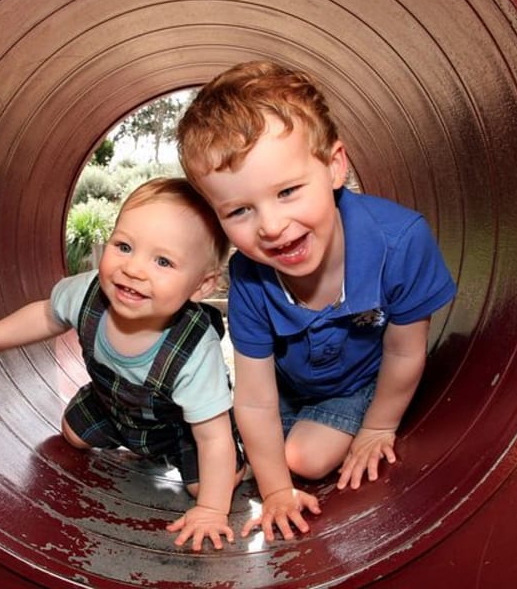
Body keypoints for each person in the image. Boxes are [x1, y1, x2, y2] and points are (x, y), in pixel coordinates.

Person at [176, 60, 457, 542]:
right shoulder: (250, 276)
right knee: (218, 459)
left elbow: (405, 350)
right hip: (290, 387)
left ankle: (344, 422)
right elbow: (257, 397)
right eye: (240, 210)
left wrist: (377, 428)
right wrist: (276, 493)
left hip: (358, 383)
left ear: (334, 166)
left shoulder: (399, 241)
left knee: (303, 457)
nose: (270, 226)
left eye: (287, 191)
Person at [0, 177, 246, 551]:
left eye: (163, 261)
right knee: (71, 434)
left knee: (205, 483)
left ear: (202, 286)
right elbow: (45, 315)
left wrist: (212, 510)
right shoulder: (88, 292)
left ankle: (240, 461)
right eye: (124, 246)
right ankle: (131, 441)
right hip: (112, 405)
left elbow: (211, 437)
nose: (133, 269)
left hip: (181, 428)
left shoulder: (194, 351)